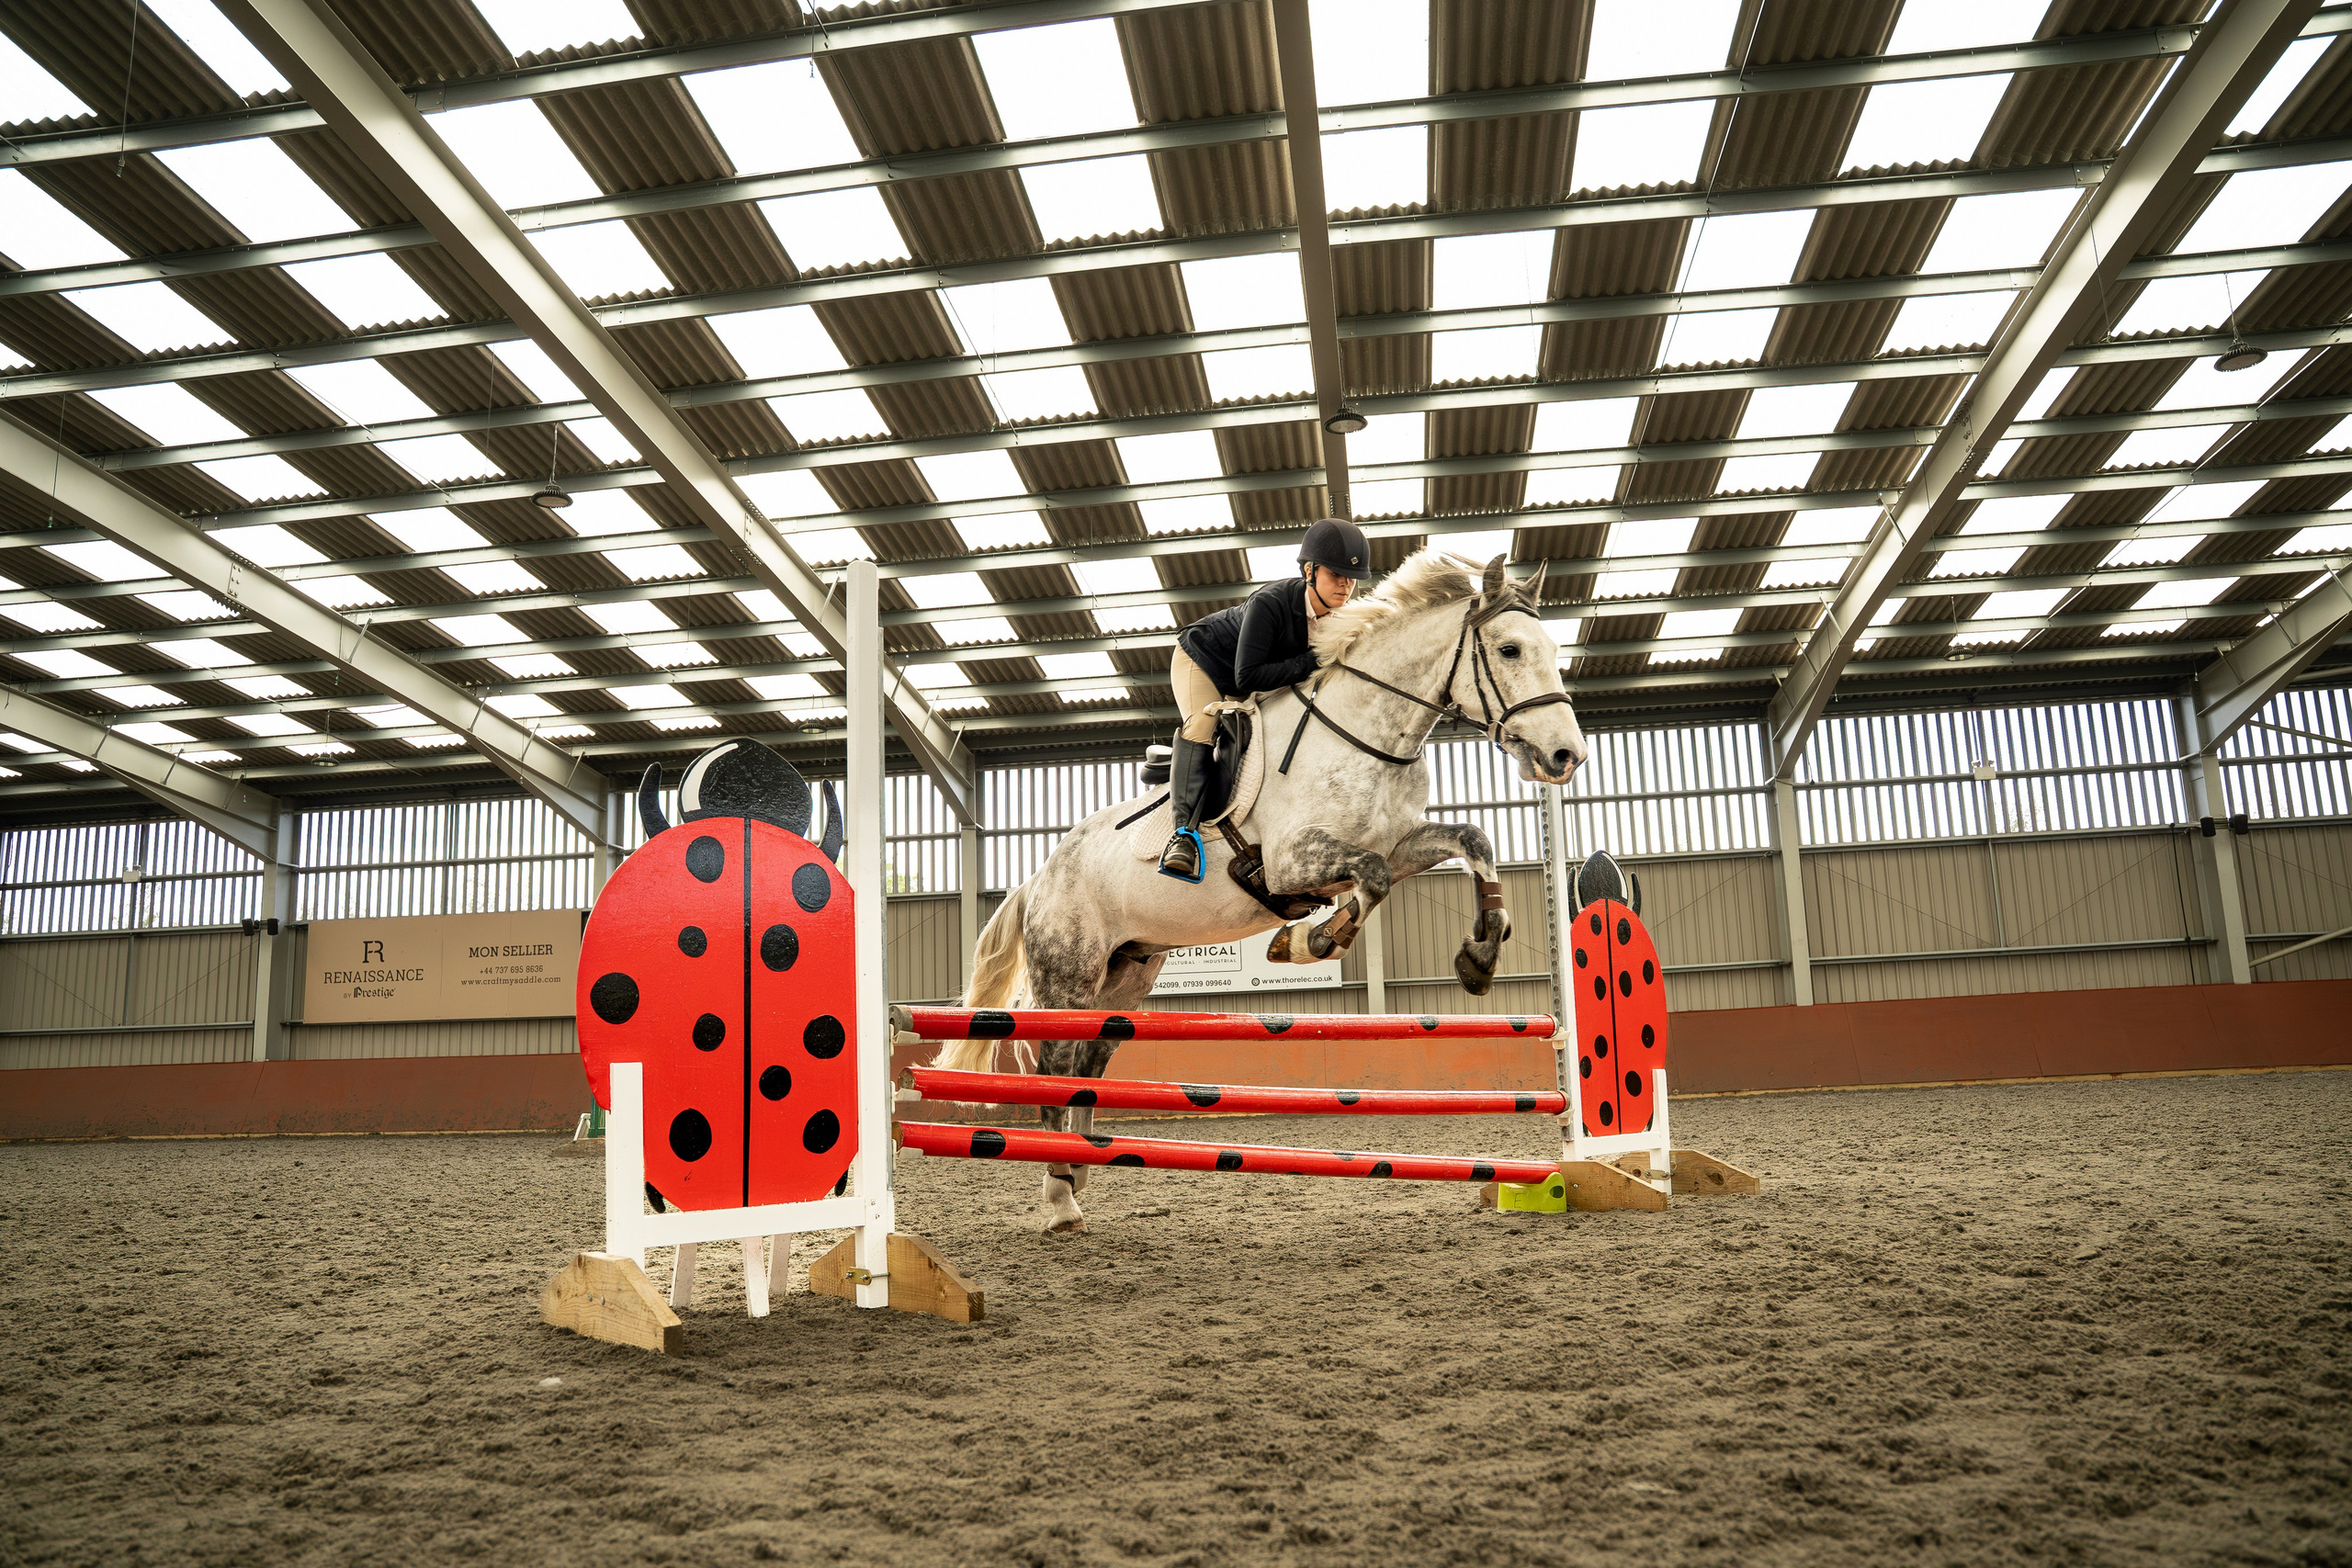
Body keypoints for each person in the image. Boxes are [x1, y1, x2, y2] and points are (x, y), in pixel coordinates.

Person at [1157, 517, 1373, 881]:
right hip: (1204, 659)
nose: (1345, 584)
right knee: (1205, 722)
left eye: (1351, 577)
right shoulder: (1269, 603)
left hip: (1251, 674)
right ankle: (1183, 836)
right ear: (1310, 571)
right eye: (1336, 574)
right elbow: (1248, 677)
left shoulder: (1345, 619)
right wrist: (1315, 659)